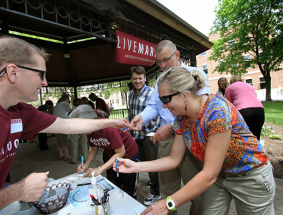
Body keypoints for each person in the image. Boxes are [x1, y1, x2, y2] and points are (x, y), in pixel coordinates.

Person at [0, 35, 130, 215]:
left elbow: (67, 125)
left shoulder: (21, 112)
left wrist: (113, 121)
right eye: (41, 74)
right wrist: (17, 191)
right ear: (13, 72)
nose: (45, 82)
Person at [117, 67, 275, 215]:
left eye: (166, 99)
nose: (164, 106)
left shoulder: (217, 111)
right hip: (221, 175)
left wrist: (168, 203)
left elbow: (209, 174)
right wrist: (135, 167)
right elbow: (173, 159)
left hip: (249, 176)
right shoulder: (182, 119)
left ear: (185, 95)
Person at [129, 40, 210, 215]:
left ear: (177, 55)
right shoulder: (160, 79)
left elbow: (202, 109)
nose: (163, 65)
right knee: (167, 188)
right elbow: (154, 106)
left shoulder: (195, 75)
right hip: (165, 140)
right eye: (159, 62)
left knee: (196, 189)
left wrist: (172, 127)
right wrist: (141, 117)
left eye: (166, 59)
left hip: (190, 137)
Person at [72, 105, 139, 198]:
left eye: (82, 128)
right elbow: (93, 148)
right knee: (113, 185)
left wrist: (100, 169)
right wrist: (86, 165)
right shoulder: (89, 130)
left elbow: (121, 152)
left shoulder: (109, 128)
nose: (82, 132)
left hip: (127, 155)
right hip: (110, 156)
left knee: (129, 188)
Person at [128, 66, 161, 205]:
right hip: (137, 135)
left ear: (145, 78)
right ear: (131, 79)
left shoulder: (152, 93)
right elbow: (131, 114)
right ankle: (153, 183)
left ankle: (156, 193)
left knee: (153, 165)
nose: (137, 81)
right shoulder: (131, 93)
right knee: (143, 162)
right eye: (135, 78)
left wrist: (154, 133)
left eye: (140, 78)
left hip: (149, 136)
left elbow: (160, 114)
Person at [225, 75, 265, 140]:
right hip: (259, 110)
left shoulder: (229, 88)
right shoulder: (250, 86)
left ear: (231, 81)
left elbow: (228, 104)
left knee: (245, 138)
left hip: (243, 111)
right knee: (256, 137)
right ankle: (257, 149)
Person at [68, 98, 89, 164]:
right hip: (83, 127)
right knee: (84, 143)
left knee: (74, 143)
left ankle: (74, 159)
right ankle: (85, 157)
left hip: (73, 128)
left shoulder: (70, 111)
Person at [53, 92, 71, 160]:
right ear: (67, 98)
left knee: (58, 140)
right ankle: (66, 155)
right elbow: (69, 113)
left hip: (54, 124)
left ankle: (61, 155)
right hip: (62, 124)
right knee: (64, 140)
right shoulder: (66, 104)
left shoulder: (57, 104)